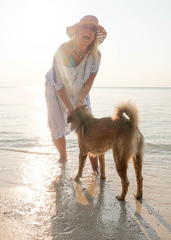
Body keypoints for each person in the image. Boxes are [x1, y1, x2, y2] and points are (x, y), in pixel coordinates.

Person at [45, 15, 107, 174]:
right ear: (78, 30)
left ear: (94, 35)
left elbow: (88, 83)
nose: (88, 30)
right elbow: (58, 83)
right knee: (57, 124)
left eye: (92, 29)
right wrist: (70, 107)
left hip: (80, 89)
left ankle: (95, 171)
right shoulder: (63, 50)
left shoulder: (96, 57)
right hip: (55, 88)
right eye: (84, 27)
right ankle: (64, 159)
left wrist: (79, 101)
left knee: (89, 127)